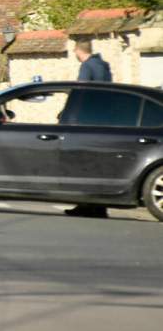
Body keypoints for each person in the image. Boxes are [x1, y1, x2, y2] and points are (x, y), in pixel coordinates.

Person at [66, 40, 113, 218]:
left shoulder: (87, 67)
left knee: (84, 165)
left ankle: (86, 205)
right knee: (98, 166)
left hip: (89, 120)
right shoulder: (103, 66)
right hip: (104, 120)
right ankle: (98, 206)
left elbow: (81, 91)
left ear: (78, 51)